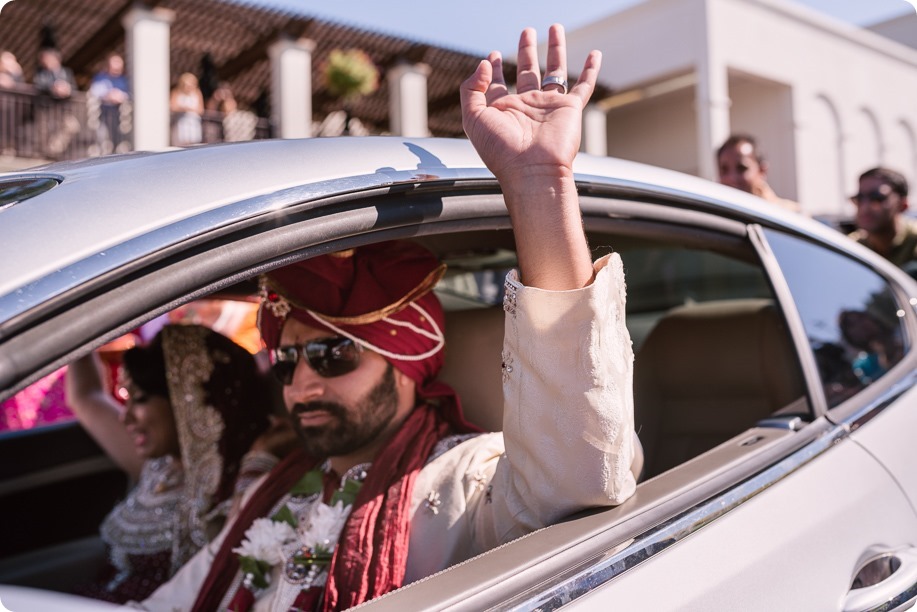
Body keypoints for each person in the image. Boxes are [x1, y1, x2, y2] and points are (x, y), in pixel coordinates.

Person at [138, 25, 640, 611]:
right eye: (287, 361)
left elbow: (576, 478)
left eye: (331, 354)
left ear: (407, 362)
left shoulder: (462, 478)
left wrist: (539, 185)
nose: (301, 384)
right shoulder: (279, 488)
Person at [65, 324, 283, 603]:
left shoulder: (238, 482)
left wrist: (259, 464)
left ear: (188, 402)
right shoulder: (161, 466)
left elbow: (227, 570)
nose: (125, 417)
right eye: (126, 398)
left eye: (140, 399)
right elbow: (85, 397)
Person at [847, 167, 917, 272]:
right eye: (860, 198)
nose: (865, 207)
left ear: (903, 205)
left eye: (877, 198)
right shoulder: (851, 247)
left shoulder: (914, 241)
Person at [716, 134, 800, 213]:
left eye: (742, 169)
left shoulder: (789, 215)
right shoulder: (714, 214)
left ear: (762, 171)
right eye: (724, 169)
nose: (732, 178)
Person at [33, 47, 80, 158]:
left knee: (72, 126)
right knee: (43, 133)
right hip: (46, 107)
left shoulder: (66, 72)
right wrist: (52, 88)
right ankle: (45, 154)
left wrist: (67, 90)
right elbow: (38, 85)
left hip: (63, 108)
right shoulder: (41, 73)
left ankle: (53, 151)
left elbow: (74, 88)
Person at [89, 53, 130, 154]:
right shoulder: (100, 78)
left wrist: (120, 96)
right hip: (102, 112)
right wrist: (108, 95)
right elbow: (94, 92)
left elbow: (129, 94)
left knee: (118, 140)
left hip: (120, 116)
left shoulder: (124, 80)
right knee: (102, 138)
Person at [170, 72, 204, 146]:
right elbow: (172, 106)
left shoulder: (197, 93)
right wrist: (183, 109)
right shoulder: (176, 92)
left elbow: (201, 109)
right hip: (181, 123)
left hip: (193, 123)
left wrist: (191, 110)